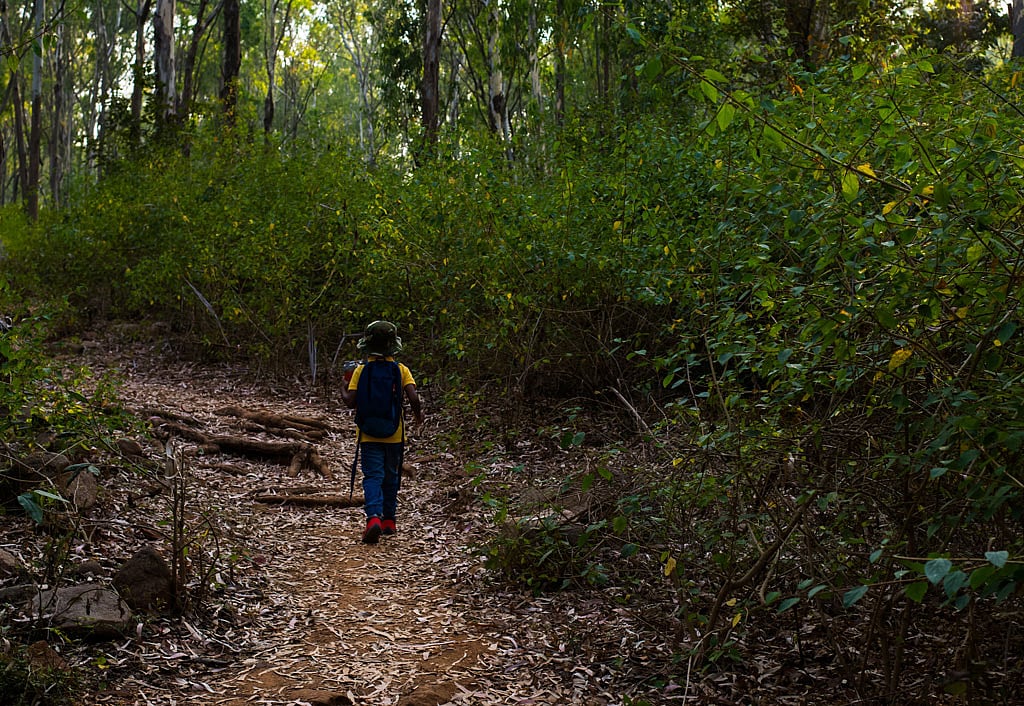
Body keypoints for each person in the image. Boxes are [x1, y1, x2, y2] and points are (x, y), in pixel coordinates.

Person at [341, 320, 424, 544]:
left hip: (368, 435)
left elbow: (350, 401)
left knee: (372, 477)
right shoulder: (401, 370)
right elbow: (413, 397)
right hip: (394, 434)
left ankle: (373, 519)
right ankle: (389, 520)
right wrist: (417, 417)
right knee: (391, 476)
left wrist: (343, 384)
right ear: (392, 345)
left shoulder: (361, 370)